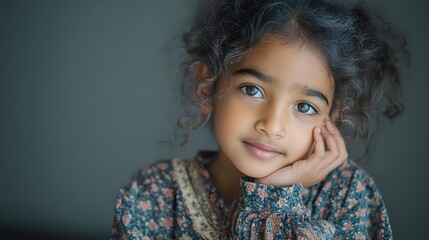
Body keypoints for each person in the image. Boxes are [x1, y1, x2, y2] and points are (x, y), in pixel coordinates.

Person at [111, 0, 407, 239]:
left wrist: (277, 196)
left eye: (304, 107)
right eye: (252, 90)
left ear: (332, 117)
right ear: (207, 85)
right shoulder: (154, 193)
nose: (272, 125)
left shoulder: (347, 196)